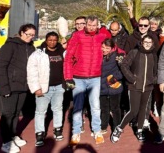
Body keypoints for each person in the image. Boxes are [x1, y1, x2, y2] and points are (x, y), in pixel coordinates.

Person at [64, 15, 111, 145]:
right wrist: (68, 77)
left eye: (93, 25)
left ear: (97, 25)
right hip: (78, 77)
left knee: (95, 106)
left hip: (95, 77)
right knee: (78, 106)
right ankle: (76, 132)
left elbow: (111, 47)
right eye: (89, 25)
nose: (91, 28)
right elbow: (68, 57)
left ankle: (97, 131)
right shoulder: (77, 36)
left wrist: (122, 54)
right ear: (85, 25)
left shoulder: (102, 36)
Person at [0, 24, 37, 153]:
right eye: (28, 34)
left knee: (16, 113)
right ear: (21, 33)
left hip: (23, 86)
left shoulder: (31, 47)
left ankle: (12, 135)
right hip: (9, 85)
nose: (30, 37)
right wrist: (4, 88)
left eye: (32, 35)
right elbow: (1, 67)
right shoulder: (9, 46)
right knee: (8, 114)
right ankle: (6, 142)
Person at [111, 35, 158, 143]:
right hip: (135, 86)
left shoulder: (153, 55)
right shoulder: (134, 52)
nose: (147, 44)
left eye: (149, 42)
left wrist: (153, 79)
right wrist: (132, 79)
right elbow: (124, 65)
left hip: (147, 87)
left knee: (143, 109)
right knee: (134, 110)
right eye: (145, 41)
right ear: (141, 42)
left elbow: (156, 70)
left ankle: (139, 130)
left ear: (152, 44)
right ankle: (119, 129)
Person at [27, 31, 66, 147]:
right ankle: (39, 133)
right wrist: (36, 88)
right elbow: (32, 72)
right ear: (46, 40)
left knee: (58, 108)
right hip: (43, 88)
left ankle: (57, 129)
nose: (52, 42)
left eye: (55, 40)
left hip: (59, 86)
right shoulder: (38, 53)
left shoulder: (62, 52)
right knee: (40, 111)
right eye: (50, 40)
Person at [99, 38, 125, 134]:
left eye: (107, 48)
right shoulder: (98, 56)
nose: (104, 49)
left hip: (114, 86)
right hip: (101, 86)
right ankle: (103, 126)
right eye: (103, 47)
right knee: (104, 108)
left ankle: (116, 127)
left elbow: (123, 71)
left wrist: (112, 79)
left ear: (112, 48)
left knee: (115, 108)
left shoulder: (118, 57)